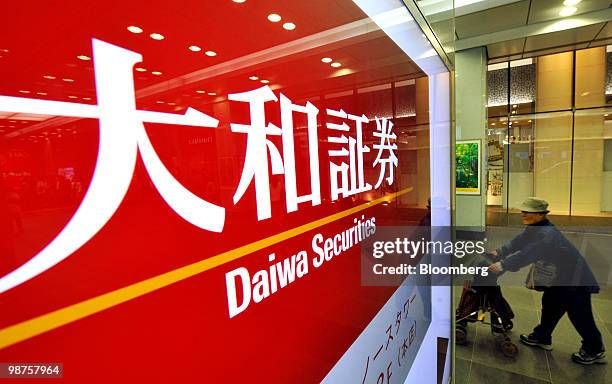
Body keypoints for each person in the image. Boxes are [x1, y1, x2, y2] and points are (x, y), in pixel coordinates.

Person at [488, 197, 606, 365]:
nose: (523, 214)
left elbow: (527, 254)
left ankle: (595, 349)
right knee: (551, 305)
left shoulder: (547, 235)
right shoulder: (535, 228)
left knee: (580, 314)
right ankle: (542, 336)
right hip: (560, 277)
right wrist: (499, 251)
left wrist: (502, 265)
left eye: (527, 212)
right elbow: (518, 242)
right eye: (523, 211)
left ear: (540, 214)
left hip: (575, 279)